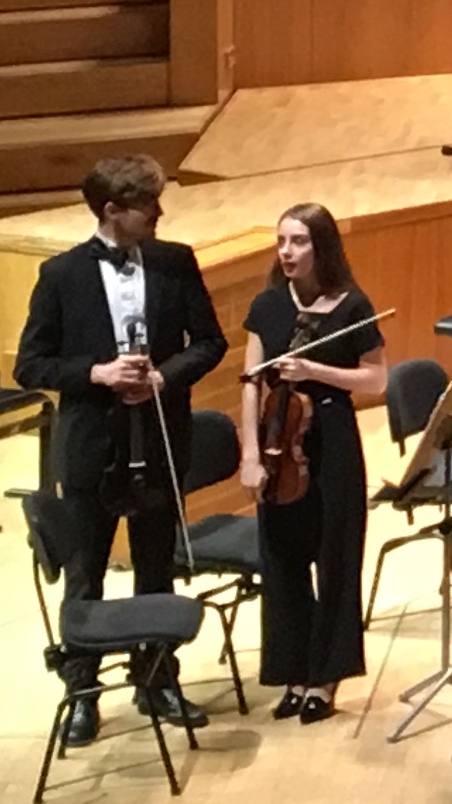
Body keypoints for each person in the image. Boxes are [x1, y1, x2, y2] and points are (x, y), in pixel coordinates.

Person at [16, 155, 222, 742]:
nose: (159, 213)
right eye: (147, 204)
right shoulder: (60, 275)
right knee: (86, 577)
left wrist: (162, 377)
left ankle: (156, 680)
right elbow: (32, 364)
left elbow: (209, 342)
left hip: (157, 439)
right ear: (112, 211)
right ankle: (83, 692)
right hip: (92, 449)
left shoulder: (175, 261)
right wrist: (98, 374)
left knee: (157, 567)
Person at [234, 205, 384, 723]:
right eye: (281, 241)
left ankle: (326, 676)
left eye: (298, 241)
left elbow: (376, 379)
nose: (287, 251)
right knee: (283, 559)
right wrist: (250, 455)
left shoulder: (352, 305)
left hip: (333, 441)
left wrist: (317, 371)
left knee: (335, 557)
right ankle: (293, 670)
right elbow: (251, 381)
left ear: (322, 247)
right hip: (278, 441)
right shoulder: (268, 305)